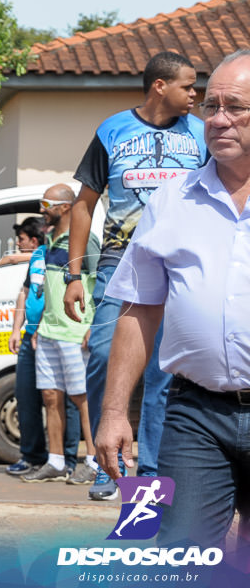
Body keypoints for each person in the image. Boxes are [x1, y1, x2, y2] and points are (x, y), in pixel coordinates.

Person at [95, 50, 250, 564]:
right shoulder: (170, 200)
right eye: (211, 106)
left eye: (236, 107)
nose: (219, 119)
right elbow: (139, 310)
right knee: (178, 561)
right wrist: (115, 412)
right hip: (196, 416)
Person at [64, 51, 206, 501]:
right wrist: (73, 274)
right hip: (118, 261)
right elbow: (83, 203)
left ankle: (147, 476)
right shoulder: (112, 130)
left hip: (179, 267)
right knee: (104, 354)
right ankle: (104, 459)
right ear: (160, 86)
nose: (195, 94)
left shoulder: (201, 134)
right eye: (188, 85)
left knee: (164, 373)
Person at [21, 184, 100, 484]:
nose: (42, 210)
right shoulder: (50, 242)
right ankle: (55, 461)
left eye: (46, 204)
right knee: (51, 396)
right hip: (49, 331)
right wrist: (37, 326)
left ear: (66, 207)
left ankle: (93, 461)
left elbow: (99, 282)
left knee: (83, 398)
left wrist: (93, 326)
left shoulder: (84, 241)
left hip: (74, 330)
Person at [5, 216, 82, 479]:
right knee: (27, 395)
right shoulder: (39, 255)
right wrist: (17, 329)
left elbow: (57, 295)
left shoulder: (68, 253)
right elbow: (25, 292)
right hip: (31, 335)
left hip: (57, 332)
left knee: (69, 399)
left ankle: (69, 460)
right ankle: (33, 457)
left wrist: (40, 328)